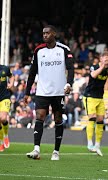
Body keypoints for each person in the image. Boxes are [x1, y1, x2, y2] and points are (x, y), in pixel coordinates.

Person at [24, 25, 74, 160]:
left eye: (47, 33)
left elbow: (70, 68)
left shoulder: (64, 49)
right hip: (42, 91)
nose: (45, 35)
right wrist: (27, 92)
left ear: (54, 34)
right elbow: (32, 72)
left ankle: (56, 151)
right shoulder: (38, 50)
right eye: (43, 33)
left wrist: (69, 83)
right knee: (39, 116)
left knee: (57, 119)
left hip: (59, 91)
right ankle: (36, 149)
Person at [82, 51, 108, 156]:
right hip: (89, 96)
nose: (107, 62)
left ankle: (97, 145)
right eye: (105, 60)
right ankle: (89, 143)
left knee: (100, 121)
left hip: (100, 98)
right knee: (92, 118)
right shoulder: (94, 67)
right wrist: (102, 67)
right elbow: (93, 75)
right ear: (101, 59)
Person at [0, 65, 14, 151]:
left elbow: (11, 76)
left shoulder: (4, 68)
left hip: (5, 97)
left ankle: (5, 136)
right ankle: (1, 143)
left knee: (3, 118)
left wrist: (11, 83)